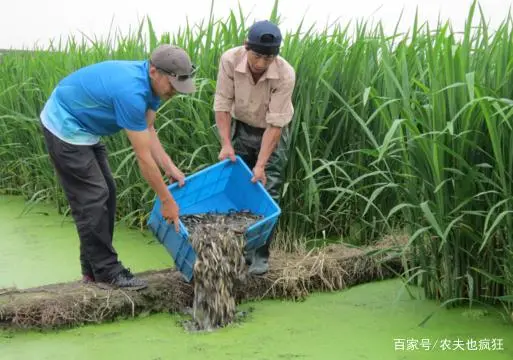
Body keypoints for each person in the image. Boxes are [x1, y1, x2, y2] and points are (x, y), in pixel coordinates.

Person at [39, 44, 196, 289]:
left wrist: (169, 166)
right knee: (93, 197)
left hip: (86, 129)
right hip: (65, 125)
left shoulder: (155, 87)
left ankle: (92, 269)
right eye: (173, 86)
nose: (175, 93)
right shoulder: (131, 92)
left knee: (107, 192)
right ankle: (107, 271)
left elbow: (149, 128)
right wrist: (166, 200)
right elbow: (143, 157)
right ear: (155, 72)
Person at [213, 20, 296, 275]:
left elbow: (275, 124)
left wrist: (260, 166)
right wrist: (226, 145)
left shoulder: (285, 74)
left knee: (267, 189)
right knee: (238, 185)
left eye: (268, 58)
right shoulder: (230, 60)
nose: (261, 63)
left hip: (272, 132)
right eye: (257, 55)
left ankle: (260, 254)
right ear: (247, 46)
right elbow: (223, 103)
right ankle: (237, 250)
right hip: (241, 126)